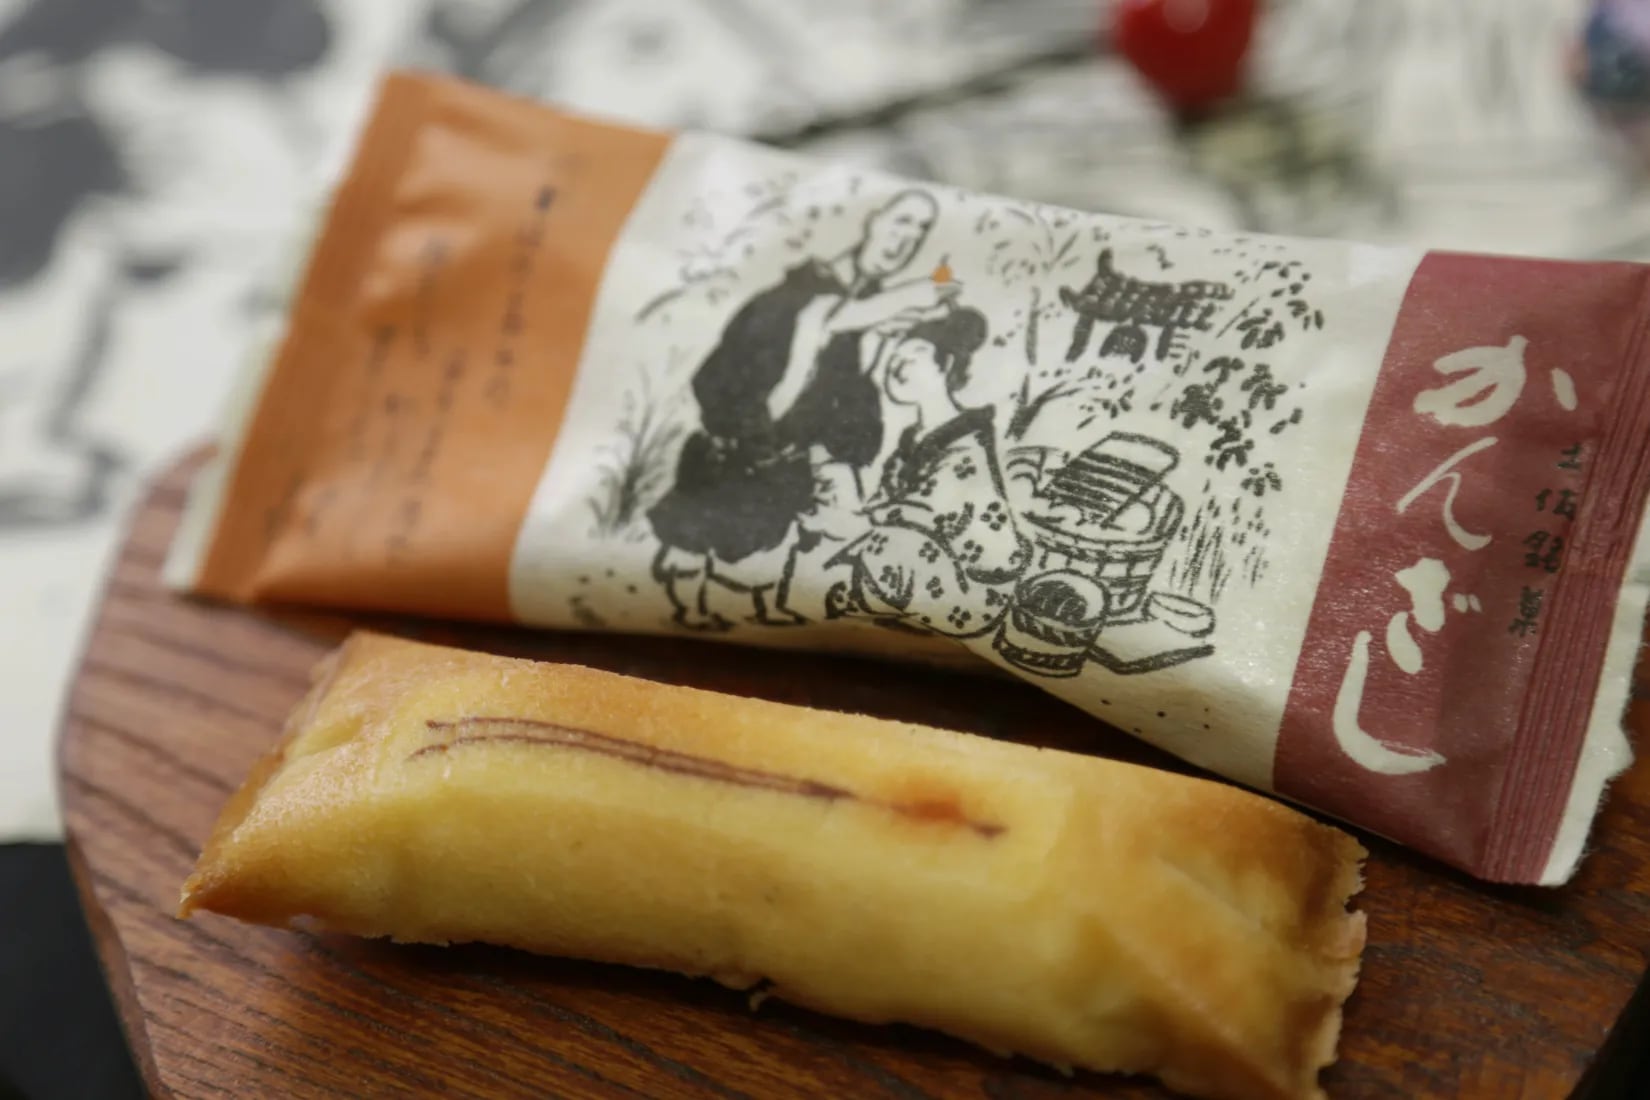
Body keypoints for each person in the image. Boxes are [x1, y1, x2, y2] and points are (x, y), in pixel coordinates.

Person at [648, 188, 956, 629]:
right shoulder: (805, 290)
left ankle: (720, 601)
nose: (906, 238)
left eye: (920, 230)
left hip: (781, 451)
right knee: (699, 539)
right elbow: (818, 321)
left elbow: (844, 380)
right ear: (875, 220)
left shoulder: (858, 302)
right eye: (900, 222)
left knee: (759, 544)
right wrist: (911, 297)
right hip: (737, 441)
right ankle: (690, 601)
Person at [826, 307, 1030, 638]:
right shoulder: (912, 439)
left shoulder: (968, 439)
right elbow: (883, 504)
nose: (897, 367)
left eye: (913, 357)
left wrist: (866, 519)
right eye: (894, 360)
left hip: (970, 585)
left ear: (945, 364)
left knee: (880, 544)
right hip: (917, 567)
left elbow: (931, 514)